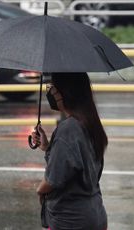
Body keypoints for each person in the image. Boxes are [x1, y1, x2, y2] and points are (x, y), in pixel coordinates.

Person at [31, 73, 108, 230]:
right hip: (95, 213)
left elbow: (54, 179)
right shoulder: (90, 122)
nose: (50, 92)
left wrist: (40, 190)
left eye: (52, 87)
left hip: (70, 219)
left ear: (64, 92)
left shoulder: (68, 129)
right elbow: (77, 163)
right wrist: (47, 147)